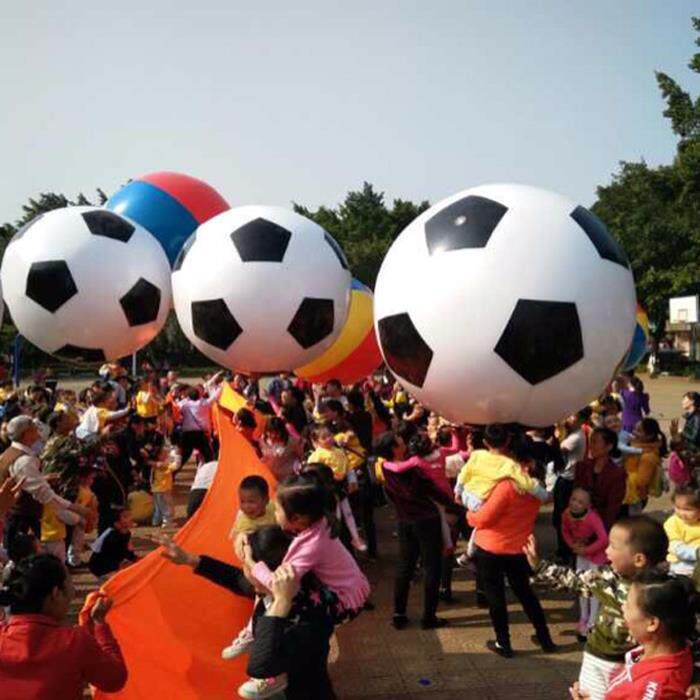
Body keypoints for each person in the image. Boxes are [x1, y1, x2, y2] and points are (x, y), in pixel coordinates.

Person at [158, 526, 338, 700]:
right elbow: (236, 579)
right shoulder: (276, 588)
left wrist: (281, 603)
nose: (244, 570)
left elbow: (260, 666)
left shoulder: (310, 613)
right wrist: (190, 559)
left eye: (247, 565)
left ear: (262, 572)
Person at [525, 515, 669, 700]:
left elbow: (682, 632)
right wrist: (540, 566)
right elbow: (574, 580)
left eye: (613, 546)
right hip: (598, 659)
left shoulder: (663, 592)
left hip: (638, 663)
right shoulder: (608, 577)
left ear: (639, 559)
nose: (606, 551)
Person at [468, 435, 555, 658]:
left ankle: (503, 643)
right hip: (519, 548)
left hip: (491, 548)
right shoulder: (536, 485)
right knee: (526, 593)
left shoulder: (507, 486)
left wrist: (469, 514)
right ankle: (545, 638)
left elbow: (482, 518)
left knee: (495, 596)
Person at [0, 554, 127, 699]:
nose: (73, 593)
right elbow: (114, 679)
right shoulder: (74, 641)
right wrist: (100, 624)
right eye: (70, 585)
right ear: (56, 594)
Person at [378, 428, 462, 629]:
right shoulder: (414, 469)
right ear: (394, 448)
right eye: (400, 440)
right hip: (427, 520)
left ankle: (399, 614)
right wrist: (457, 509)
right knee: (432, 567)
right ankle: (429, 617)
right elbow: (434, 492)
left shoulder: (387, 469)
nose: (403, 441)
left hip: (404, 520)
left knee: (405, 566)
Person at [571, 571, 695, 700]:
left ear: (652, 623)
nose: (623, 608)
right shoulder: (677, 650)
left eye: (629, 606)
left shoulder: (650, 690)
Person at [1, 416, 87, 548]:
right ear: (27, 433)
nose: (38, 431)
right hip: (22, 515)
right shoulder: (23, 460)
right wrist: (75, 510)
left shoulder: (10, 453)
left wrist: (42, 478)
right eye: (34, 428)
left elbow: (23, 480)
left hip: (20, 514)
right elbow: (44, 494)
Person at [221, 476, 277, 660]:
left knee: (265, 601)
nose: (246, 506)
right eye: (242, 501)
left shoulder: (274, 509)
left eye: (251, 501)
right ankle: (253, 632)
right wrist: (244, 544)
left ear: (266, 500)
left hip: (275, 567)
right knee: (264, 598)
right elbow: (242, 552)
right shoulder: (244, 522)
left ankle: (252, 632)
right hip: (257, 571)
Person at [307, 424, 366, 552]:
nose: (328, 439)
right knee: (336, 515)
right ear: (316, 441)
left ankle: (355, 537)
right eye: (324, 437)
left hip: (341, 486)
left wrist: (352, 480)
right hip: (328, 490)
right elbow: (312, 473)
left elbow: (348, 467)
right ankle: (336, 540)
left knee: (348, 514)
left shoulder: (339, 451)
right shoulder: (317, 455)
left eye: (329, 435)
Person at [562, 487, 608, 641]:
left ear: (588, 505)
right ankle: (583, 617)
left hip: (596, 556)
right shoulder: (566, 514)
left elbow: (604, 539)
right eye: (573, 499)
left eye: (580, 502)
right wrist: (572, 545)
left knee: (593, 589)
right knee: (582, 586)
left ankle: (592, 622)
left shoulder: (592, 518)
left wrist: (587, 550)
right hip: (581, 553)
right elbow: (565, 531)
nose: (575, 504)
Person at [574, 428, 627, 531]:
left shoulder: (617, 474)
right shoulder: (582, 466)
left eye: (595, 442)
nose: (591, 446)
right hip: (579, 522)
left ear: (609, 446)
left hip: (602, 524)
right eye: (590, 441)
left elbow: (612, 507)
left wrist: (601, 530)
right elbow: (575, 494)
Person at [554, 413, 588, 562]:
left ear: (582, 420)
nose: (568, 419)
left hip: (567, 481)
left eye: (573, 417)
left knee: (562, 517)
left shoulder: (575, 437)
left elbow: (557, 450)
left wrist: (557, 432)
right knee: (560, 517)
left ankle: (566, 552)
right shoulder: (574, 434)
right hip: (565, 479)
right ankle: (564, 550)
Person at [622, 418, 666, 515]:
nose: (634, 432)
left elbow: (641, 481)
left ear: (649, 436)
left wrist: (623, 476)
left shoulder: (648, 457)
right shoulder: (633, 448)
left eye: (639, 431)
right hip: (628, 494)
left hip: (634, 497)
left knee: (630, 522)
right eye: (634, 429)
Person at [88, 507, 137, 578]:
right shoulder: (112, 536)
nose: (130, 519)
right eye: (125, 517)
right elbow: (117, 556)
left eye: (130, 515)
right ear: (116, 523)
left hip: (112, 565)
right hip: (103, 568)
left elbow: (129, 554)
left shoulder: (126, 533)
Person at [663, 487, 700, 576]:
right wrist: (696, 553)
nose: (682, 513)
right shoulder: (673, 523)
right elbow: (675, 547)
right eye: (678, 507)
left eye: (688, 510)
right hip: (680, 563)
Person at [149, 443, 179, 528]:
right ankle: (167, 522)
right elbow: (175, 466)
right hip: (163, 489)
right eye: (164, 453)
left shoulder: (155, 465)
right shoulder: (162, 465)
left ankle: (156, 521)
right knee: (167, 506)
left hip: (156, 490)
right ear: (159, 456)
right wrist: (178, 456)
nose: (166, 454)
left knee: (158, 507)